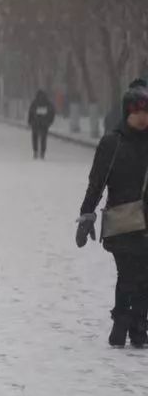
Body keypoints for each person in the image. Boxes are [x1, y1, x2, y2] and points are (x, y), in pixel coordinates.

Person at [76, 80, 148, 348]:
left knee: (144, 277)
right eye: (138, 113)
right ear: (127, 112)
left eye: (147, 113)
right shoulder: (112, 143)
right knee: (129, 274)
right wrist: (86, 215)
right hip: (123, 222)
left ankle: (138, 328)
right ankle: (122, 323)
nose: (143, 118)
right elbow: (96, 183)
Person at [27, 90, 56, 160]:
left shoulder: (35, 102)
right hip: (44, 124)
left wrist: (30, 121)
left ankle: (35, 152)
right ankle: (42, 152)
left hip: (35, 123)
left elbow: (30, 112)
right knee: (43, 138)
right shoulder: (47, 103)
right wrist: (50, 122)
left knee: (35, 138)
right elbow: (52, 112)